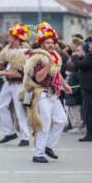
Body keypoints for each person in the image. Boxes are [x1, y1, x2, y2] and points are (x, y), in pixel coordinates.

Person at [22, 22, 72, 163]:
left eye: (52, 42)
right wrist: (48, 65)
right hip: (42, 94)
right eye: (47, 42)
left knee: (62, 120)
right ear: (42, 44)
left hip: (53, 94)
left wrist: (65, 85)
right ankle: (38, 154)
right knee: (44, 124)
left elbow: (57, 74)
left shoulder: (55, 55)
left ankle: (48, 145)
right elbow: (38, 78)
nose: (51, 45)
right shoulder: (38, 57)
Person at [0, 23, 31, 146]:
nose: (9, 39)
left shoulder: (24, 51)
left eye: (12, 37)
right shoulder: (10, 50)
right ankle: (10, 132)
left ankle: (26, 137)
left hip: (19, 84)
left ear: (18, 39)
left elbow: (19, 74)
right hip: (9, 83)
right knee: (1, 106)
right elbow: (5, 65)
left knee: (20, 110)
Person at [71, 36, 92, 142]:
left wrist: (74, 57)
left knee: (88, 111)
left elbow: (80, 65)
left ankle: (90, 134)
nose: (89, 45)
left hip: (90, 87)